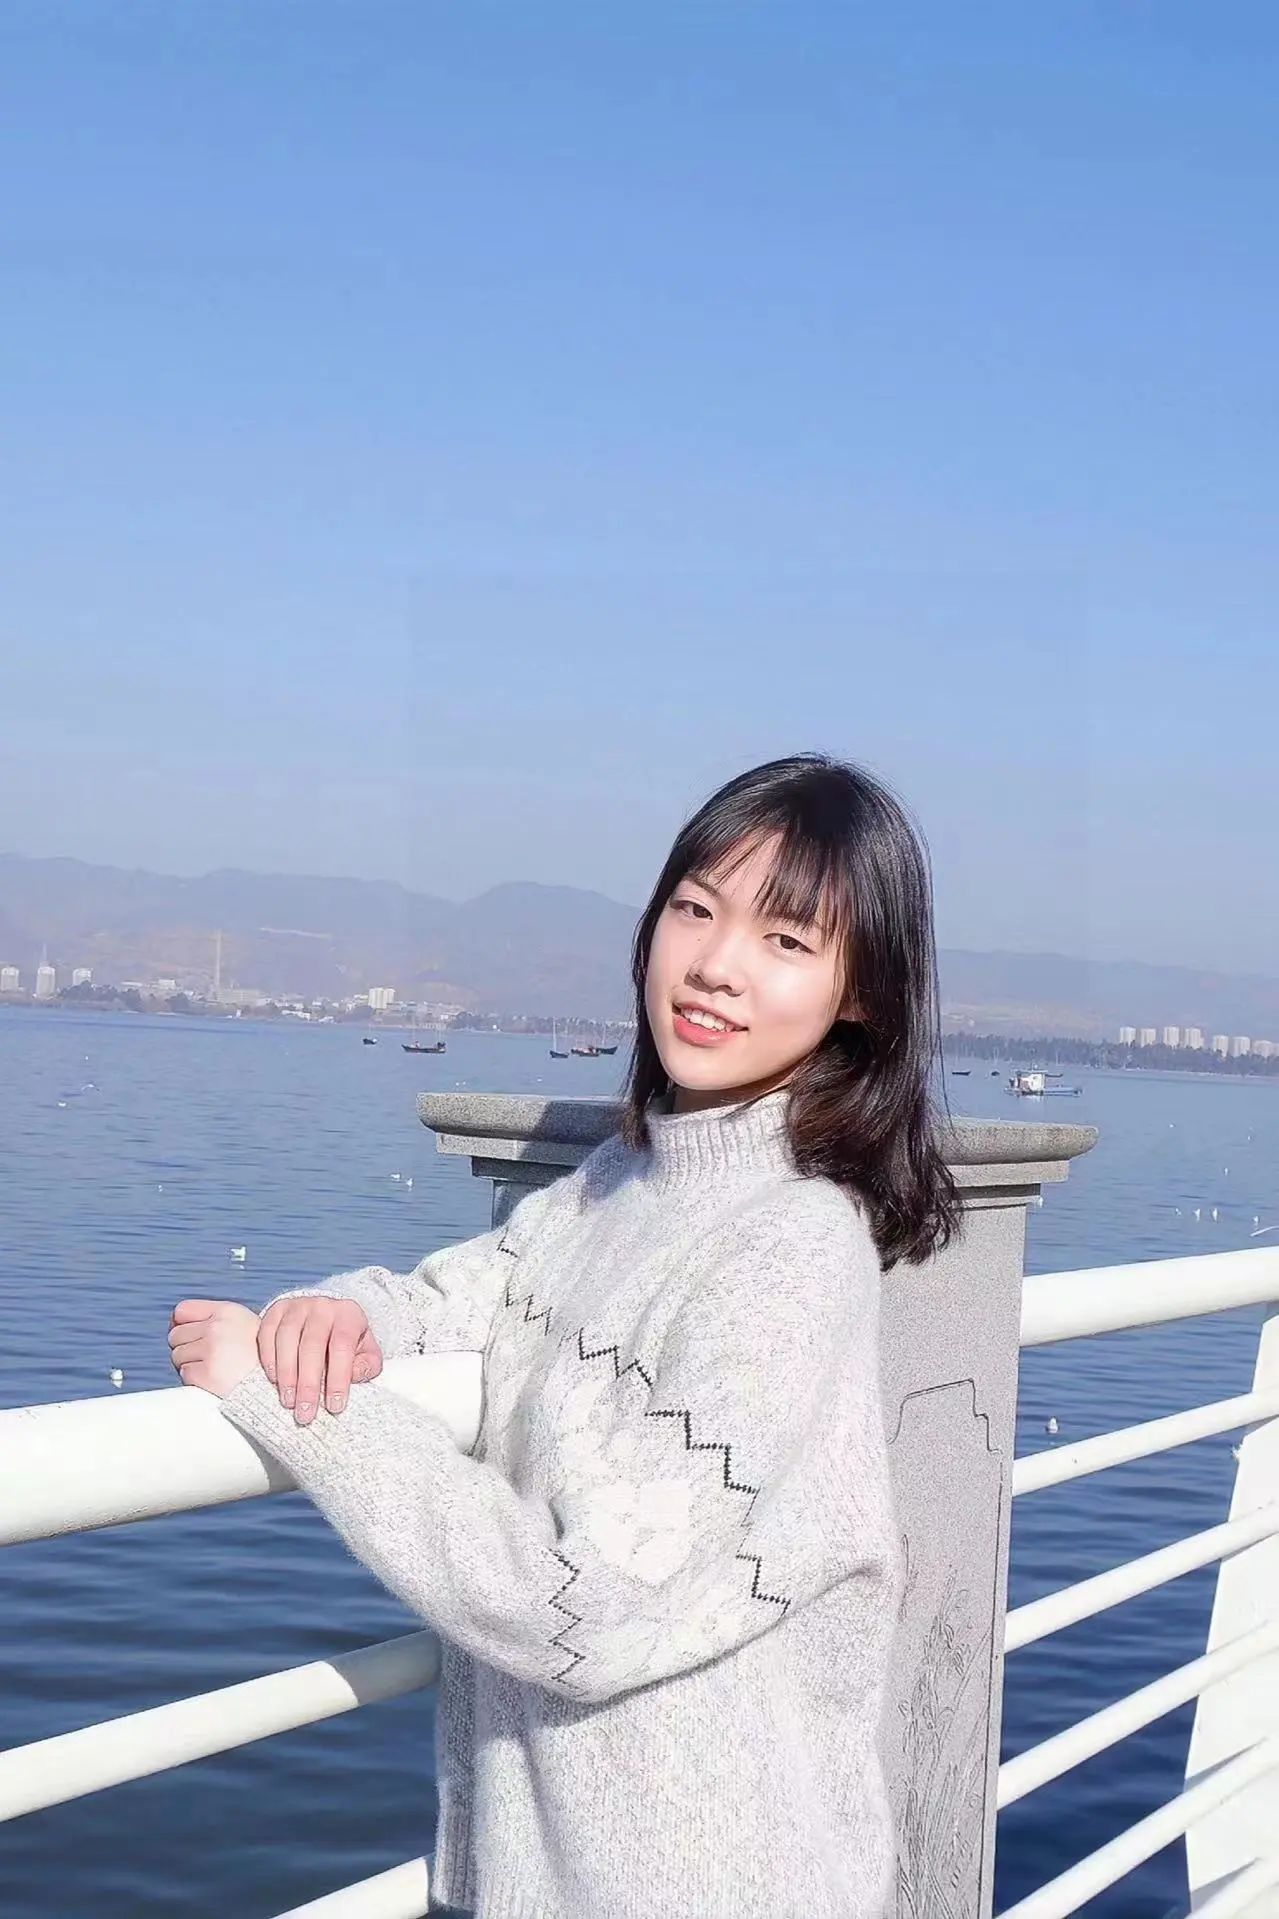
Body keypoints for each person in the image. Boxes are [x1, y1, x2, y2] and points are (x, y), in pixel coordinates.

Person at [168, 753, 959, 1919]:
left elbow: (580, 1608)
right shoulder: (620, 1180)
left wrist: (290, 1404)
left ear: (863, 996)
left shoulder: (795, 1245)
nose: (716, 963)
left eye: (786, 939)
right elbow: (469, 1295)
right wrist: (341, 1315)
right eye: (694, 907)